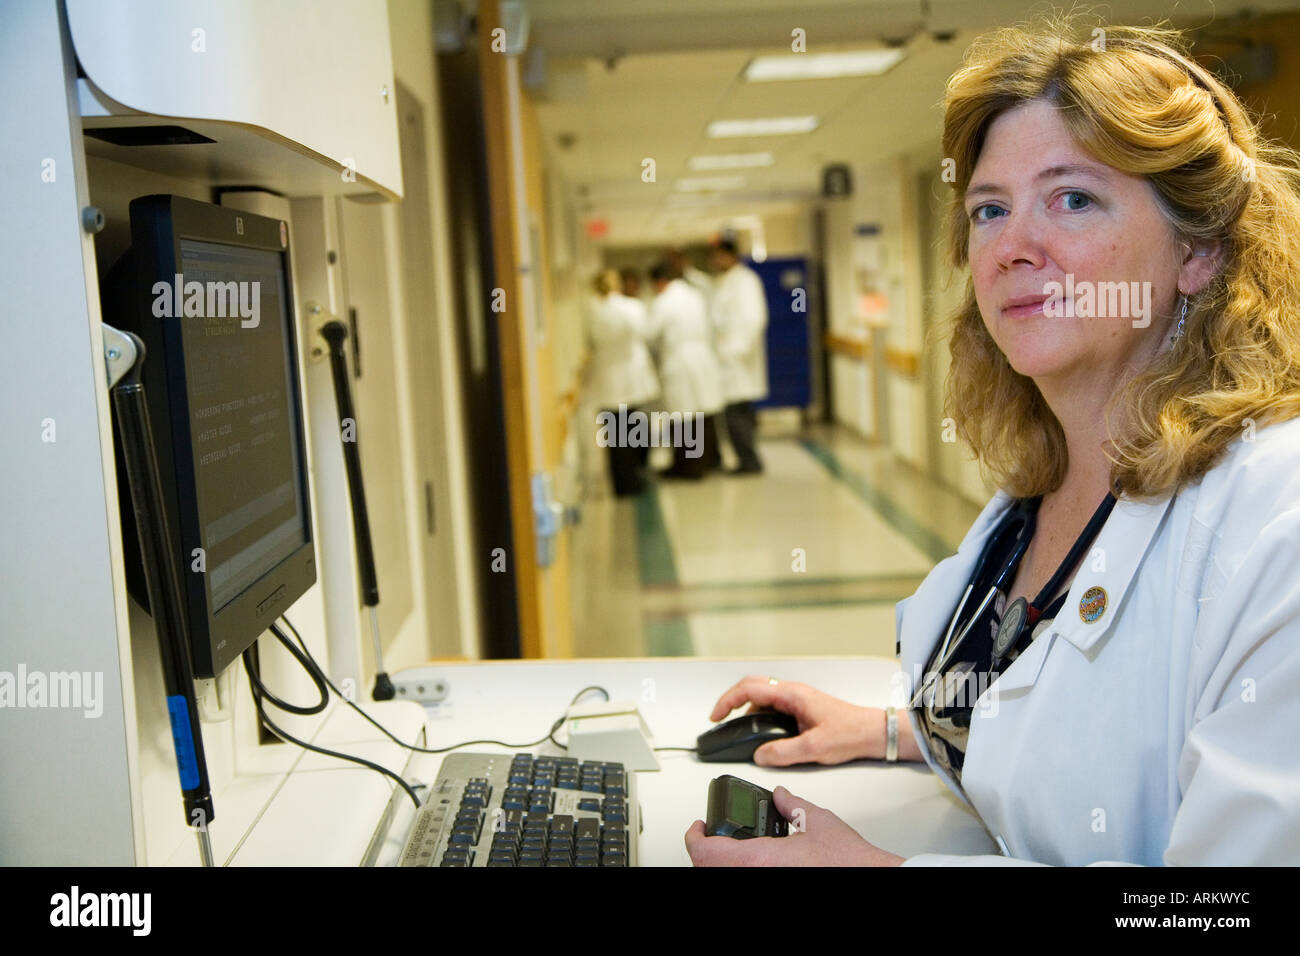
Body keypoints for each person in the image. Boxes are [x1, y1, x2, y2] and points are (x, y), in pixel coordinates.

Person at [686, 17, 1300, 866]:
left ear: (1197, 249)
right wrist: (896, 731)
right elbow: (1057, 715)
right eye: (989, 209)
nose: (1013, 247)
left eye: (1073, 198)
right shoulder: (1037, 493)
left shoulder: (1276, 519)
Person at [645, 261, 724, 479]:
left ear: (660, 282)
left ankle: (688, 469)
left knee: (682, 417)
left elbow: (650, 333)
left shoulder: (664, 301)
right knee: (702, 414)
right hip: (702, 357)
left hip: (679, 361)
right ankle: (706, 463)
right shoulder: (695, 296)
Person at [585, 269, 659, 496]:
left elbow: (591, 341)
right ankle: (635, 478)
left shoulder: (592, 311)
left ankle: (621, 484)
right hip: (630, 377)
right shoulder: (631, 307)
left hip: (608, 379)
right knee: (635, 431)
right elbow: (645, 332)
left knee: (615, 437)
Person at [709, 239, 769, 474]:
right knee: (733, 416)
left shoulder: (746, 281)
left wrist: (736, 351)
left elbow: (754, 319)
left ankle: (749, 461)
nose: (716, 261)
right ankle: (745, 459)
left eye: (719, 256)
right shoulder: (725, 282)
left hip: (739, 361)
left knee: (738, 417)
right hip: (727, 360)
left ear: (731, 256)